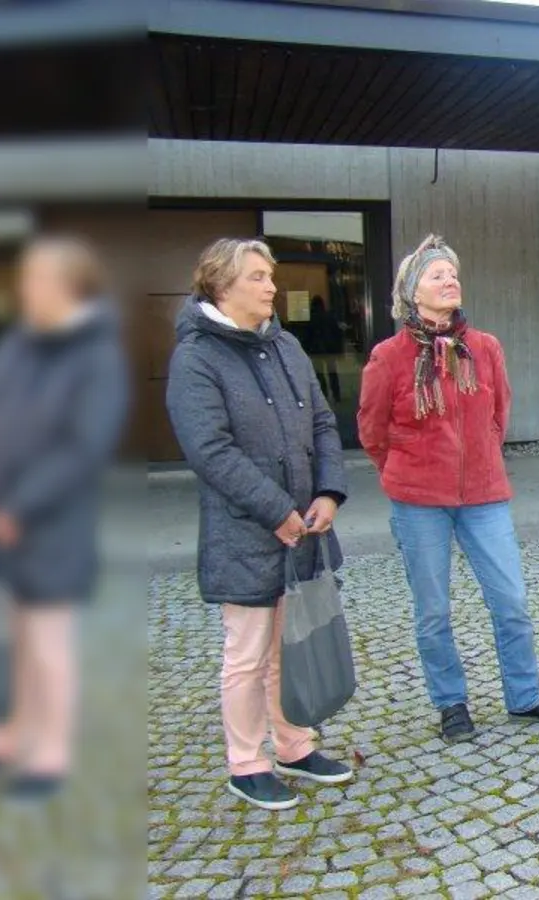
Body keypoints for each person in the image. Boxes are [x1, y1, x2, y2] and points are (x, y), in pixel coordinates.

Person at [358, 235, 539, 744]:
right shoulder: (388, 357)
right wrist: (405, 472)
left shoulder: (485, 348)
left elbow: (499, 415)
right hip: (419, 501)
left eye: (453, 273)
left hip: (484, 496)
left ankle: (525, 696)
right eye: (437, 274)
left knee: (511, 601)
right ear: (413, 292)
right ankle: (451, 703)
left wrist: (480, 459)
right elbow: (371, 432)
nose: (449, 280)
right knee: (433, 610)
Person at [167, 237, 354, 811]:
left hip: (304, 529)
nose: (272, 286)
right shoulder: (197, 357)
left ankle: (295, 746)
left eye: (270, 275)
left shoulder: (286, 345)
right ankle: (246, 764)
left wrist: (329, 491)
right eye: (257, 277)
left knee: (289, 647)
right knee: (247, 654)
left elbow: (322, 423)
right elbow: (210, 450)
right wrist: (276, 511)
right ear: (221, 285)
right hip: (246, 532)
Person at [0, 235, 129, 798]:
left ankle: (50, 754)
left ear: (70, 287)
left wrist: (18, 508)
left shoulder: (97, 358)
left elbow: (83, 447)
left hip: (52, 525)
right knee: (2, 636)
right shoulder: (14, 348)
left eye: (35, 279)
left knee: (48, 641)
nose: (23, 289)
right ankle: (6, 737)